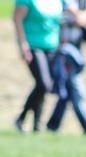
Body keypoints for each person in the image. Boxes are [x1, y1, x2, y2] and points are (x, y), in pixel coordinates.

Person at [12, 0, 66, 133]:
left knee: (41, 87)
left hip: (52, 46)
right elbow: (17, 18)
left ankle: (37, 124)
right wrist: (22, 44)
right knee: (44, 84)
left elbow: (60, 21)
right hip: (33, 46)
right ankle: (21, 118)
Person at [45, 0, 86, 134]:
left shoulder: (82, 2)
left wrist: (85, 16)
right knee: (75, 90)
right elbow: (80, 18)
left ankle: (52, 126)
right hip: (62, 51)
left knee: (67, 91)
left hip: (76, 50)